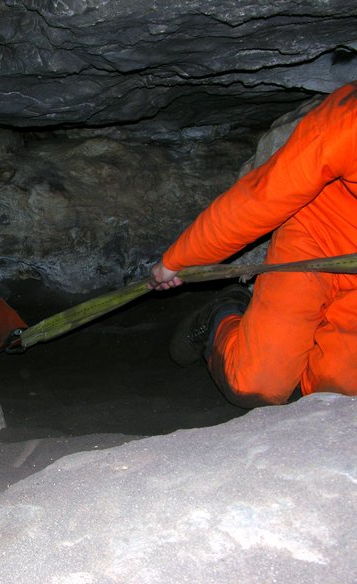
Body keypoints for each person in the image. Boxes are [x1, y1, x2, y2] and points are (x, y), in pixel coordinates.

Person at [148, 81, 357, 409]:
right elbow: (259, 200)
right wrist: (178, 260)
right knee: (257, 385)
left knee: (331, 402)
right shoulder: (348, 123)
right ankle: (223, 313)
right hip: (317, 240)